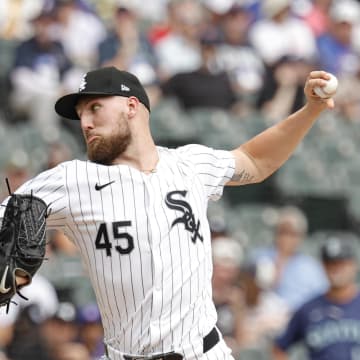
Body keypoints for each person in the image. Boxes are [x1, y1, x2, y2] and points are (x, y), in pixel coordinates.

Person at [0, 65, 335, 360]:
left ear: (131, 106)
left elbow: (255, 161)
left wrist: (309, 111)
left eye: (94, 108)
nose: (85, 122)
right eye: (81, 114)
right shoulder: (71, 179)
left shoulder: (189, 164)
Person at [272, 236, 360, 360]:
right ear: (323, 267)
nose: (336, 269)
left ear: (354, 265)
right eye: (330, 264)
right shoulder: (308, 309)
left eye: (341, 264)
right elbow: (279, 348)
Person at [251, 206, 328, 312]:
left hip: (298, 319)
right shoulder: (259, 257)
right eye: (282, 232)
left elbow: (321, 299)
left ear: (301, 237)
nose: (286, 238)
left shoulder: (311, 267)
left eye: (292, 234)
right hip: (262, 317)